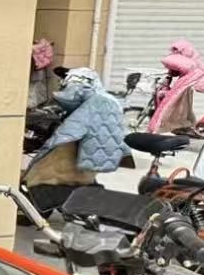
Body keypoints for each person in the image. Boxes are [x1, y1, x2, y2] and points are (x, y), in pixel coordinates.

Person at [23, 67, 126, 214]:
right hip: (94, 153)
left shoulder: (85, 91)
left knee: (47, 174)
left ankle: (43, 204)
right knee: (81, 176)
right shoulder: (105, 99)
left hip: (77, 152)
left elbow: (69, 103)